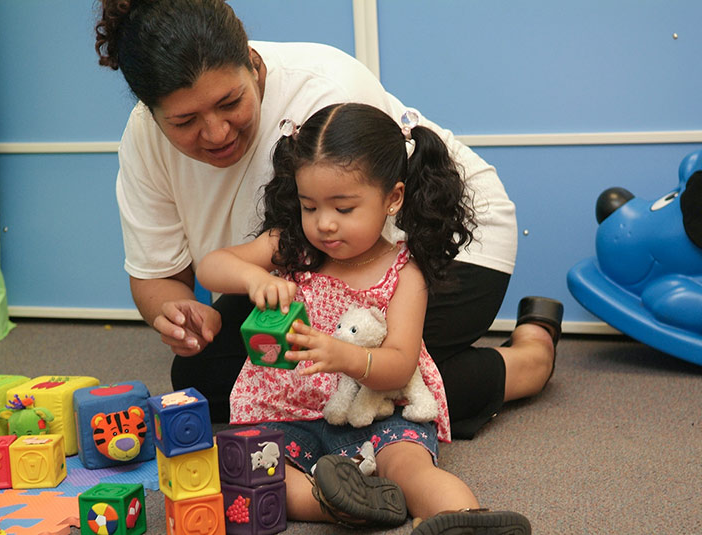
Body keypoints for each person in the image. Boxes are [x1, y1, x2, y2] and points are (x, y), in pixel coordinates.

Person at [94, 0, 564, 438]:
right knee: (203, 380)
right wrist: (180, 314)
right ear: (151, 113)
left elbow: (366, 243)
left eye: (230, 102)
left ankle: (529, 358)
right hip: (312, 268)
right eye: (184, 121)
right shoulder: (144, 141)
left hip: (431, 243)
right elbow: (158, 276)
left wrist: (346, 357)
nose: (216, 132)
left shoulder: (324, 90)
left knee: (380, 390)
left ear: (254, 64)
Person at [196, 102, 531, 534]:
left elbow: (399, 365)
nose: (324, 224)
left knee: (408, 468)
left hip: (377, 412)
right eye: (309, 206)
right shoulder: (293, 247)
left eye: (344, 208)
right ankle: (339, 503)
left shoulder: (405, 272)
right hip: (284, 411)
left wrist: (342, 355)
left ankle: (464, 519)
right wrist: (250, 277)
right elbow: (211, 266)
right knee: (245, 473)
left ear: (392, 198)